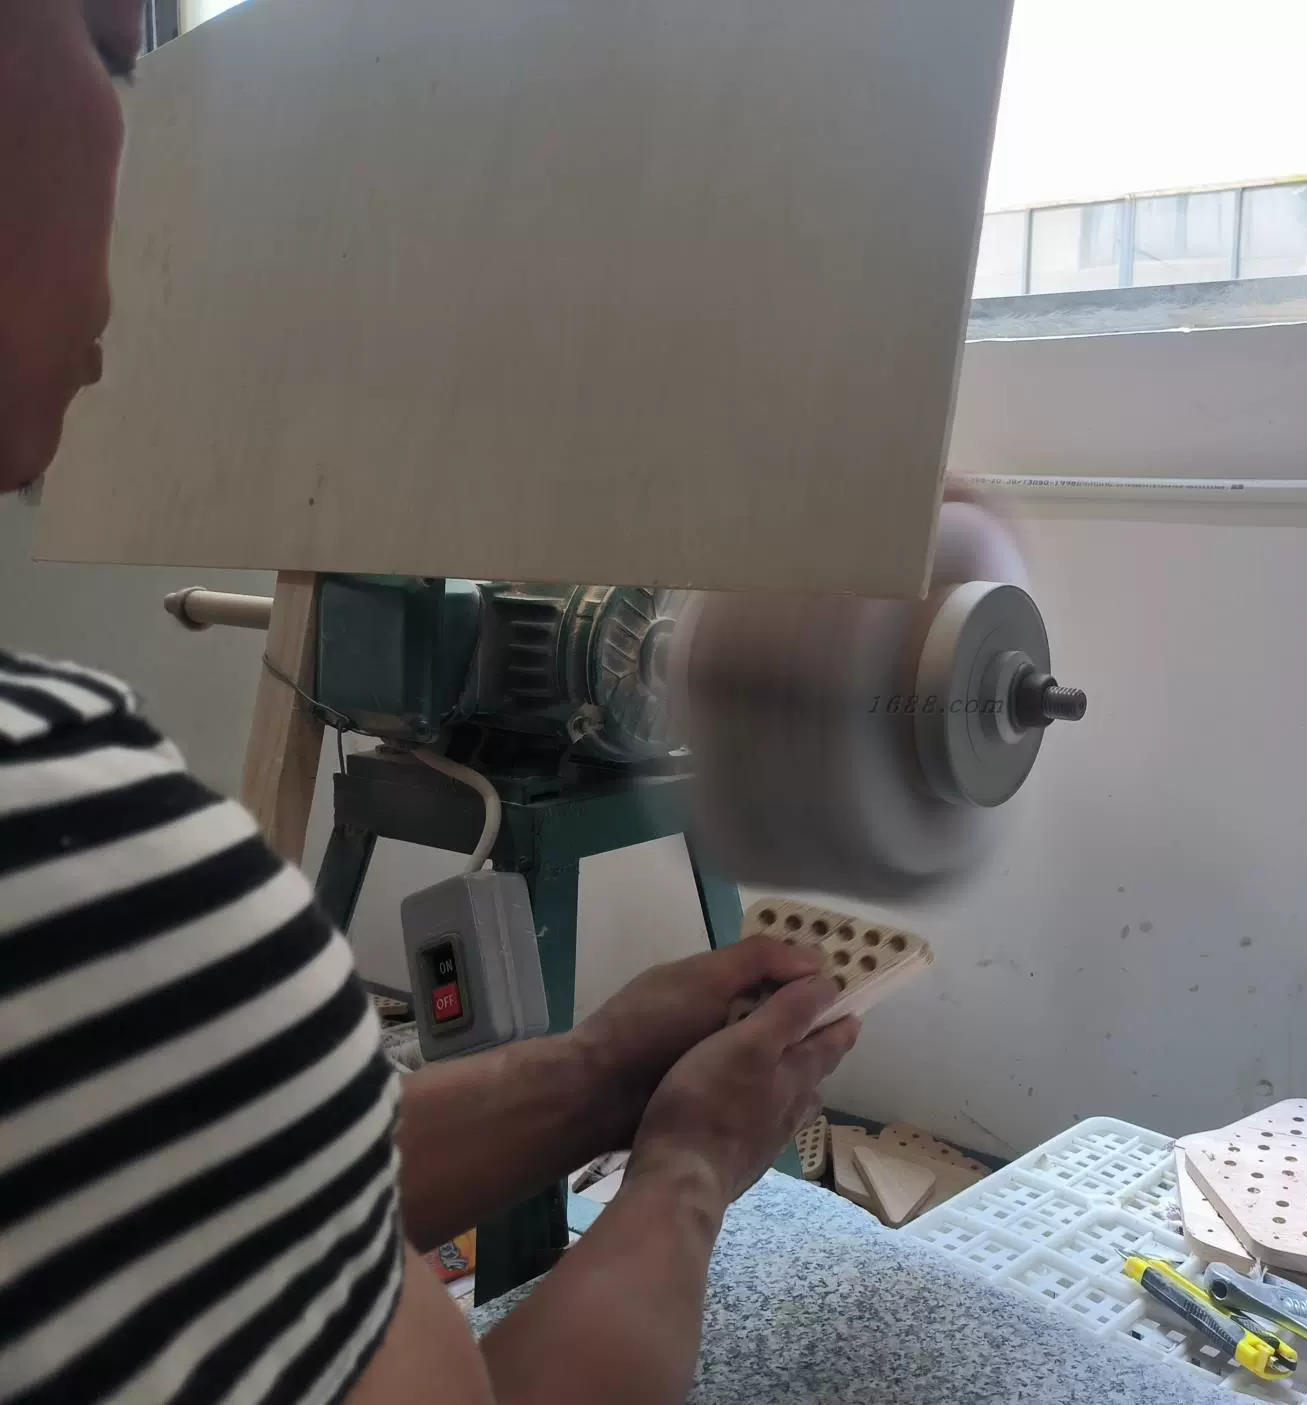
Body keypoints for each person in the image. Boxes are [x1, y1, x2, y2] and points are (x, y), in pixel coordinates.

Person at [0, 3, 861, 1402]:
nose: (139, 133)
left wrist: (598, 1072)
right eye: (107, 45)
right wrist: (691, 1174)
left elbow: (242, 1185)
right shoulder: (61, 851)